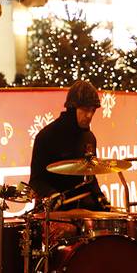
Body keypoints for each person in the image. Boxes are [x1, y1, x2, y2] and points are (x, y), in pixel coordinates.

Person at [29, 80, 110, 211]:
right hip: (53, 211)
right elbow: (35, 181)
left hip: (81, 208)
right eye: (84, 109)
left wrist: (99, 196)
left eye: (92, 110)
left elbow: (90, 177)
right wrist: (51, 194)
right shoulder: (47, 136)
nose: (89, 115)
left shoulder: (89, 138)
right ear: (72, 109)